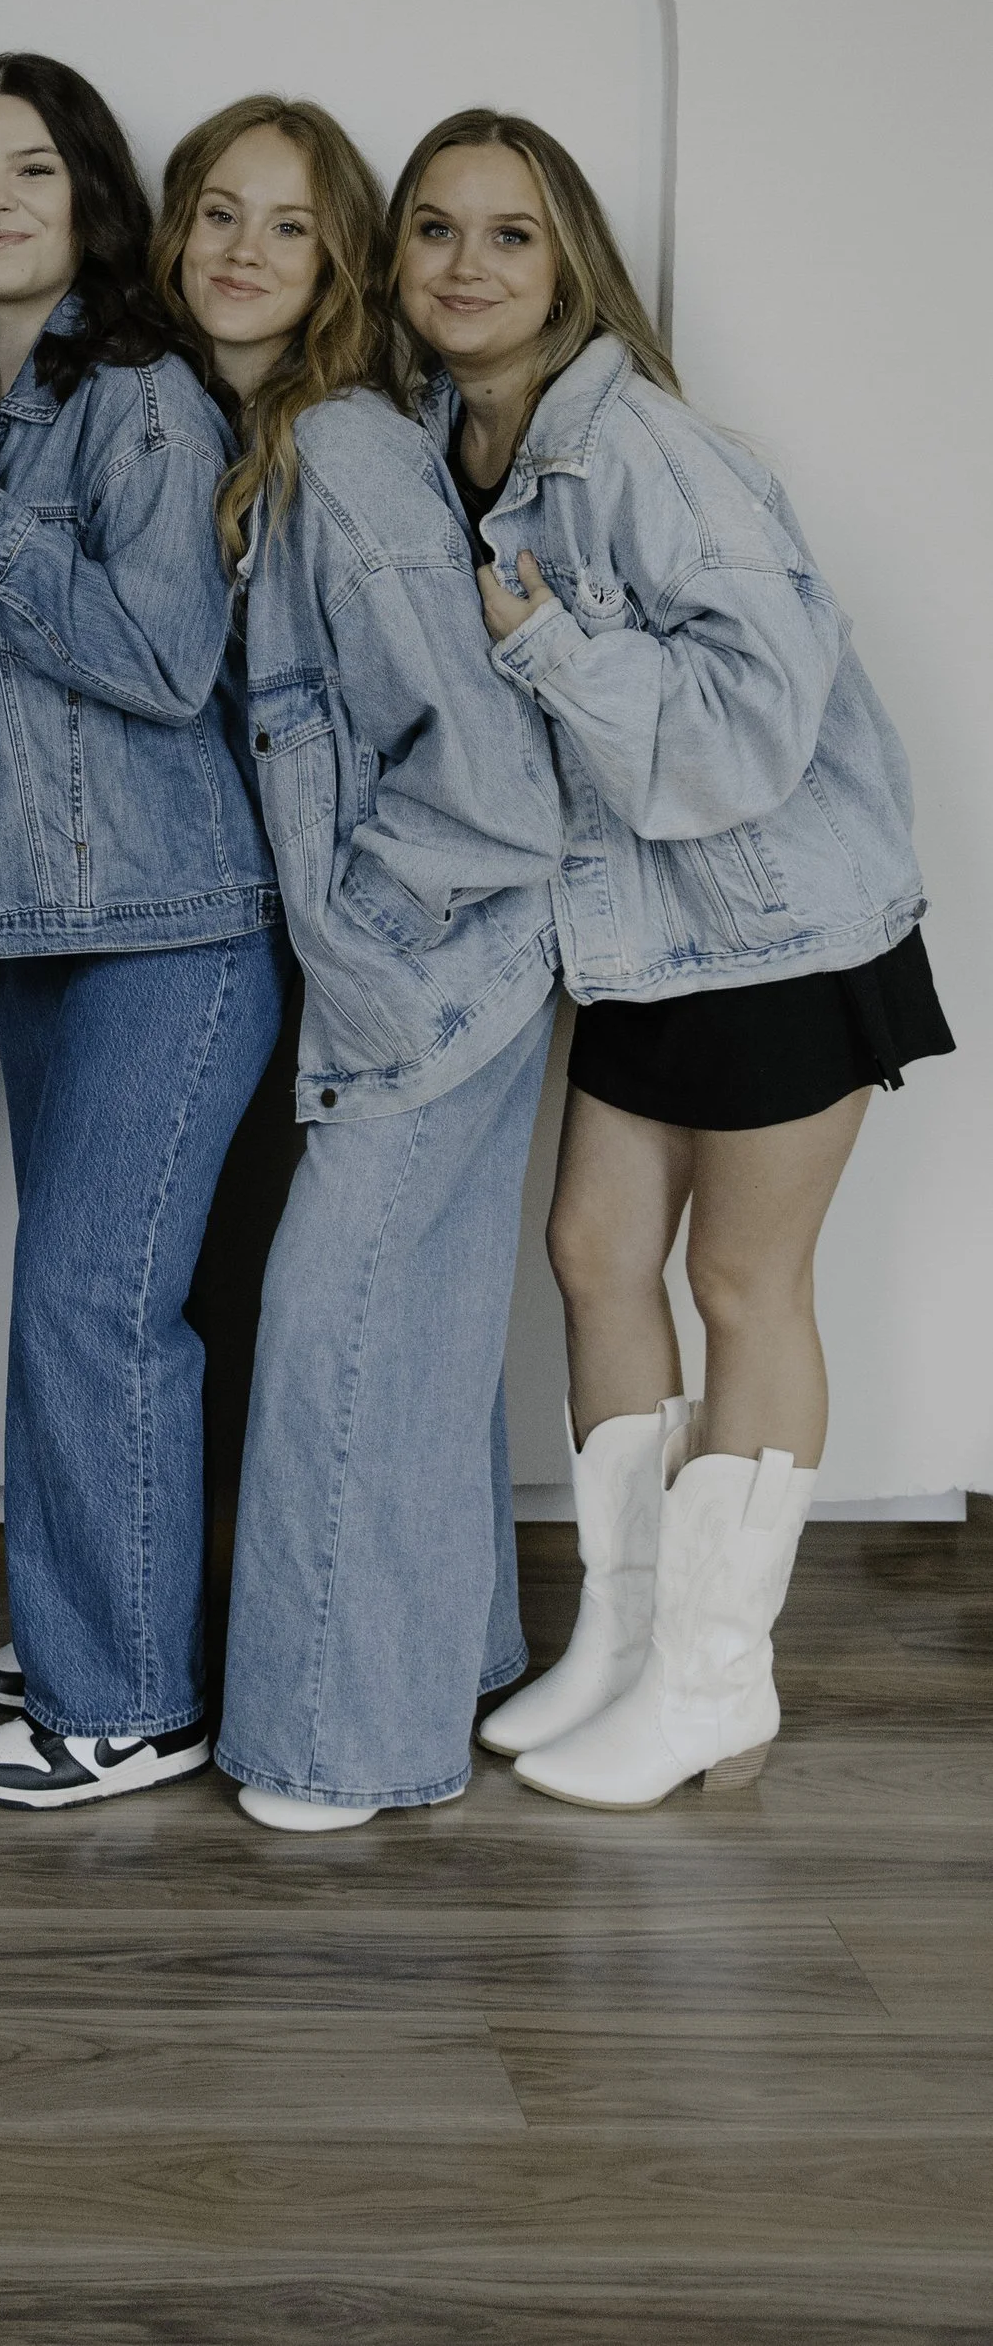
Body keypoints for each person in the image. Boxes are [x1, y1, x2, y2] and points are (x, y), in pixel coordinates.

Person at [385, 113, 950, 1807]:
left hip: (779, 927)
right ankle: (626, 1635)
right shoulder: (449, 441)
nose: (467, 267)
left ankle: (717, 1681)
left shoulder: (647, 452)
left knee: (741, 1287)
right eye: (434, 230)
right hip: (640, 942)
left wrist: (548, 642)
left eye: (511, 235)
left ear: (572, 267)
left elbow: (748, 734)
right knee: (591, 1252)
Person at [0, 55, 283, 1809]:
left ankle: (125, 1697)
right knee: (79, 1297)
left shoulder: (135, 399)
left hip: (172, 931)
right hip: (51, 928)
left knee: (95, 1308)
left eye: (29, 171)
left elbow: (159, 659)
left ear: (88, 196)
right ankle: (84, 1624)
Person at [190, 98, 568, 1833]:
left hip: (434, 980)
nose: (241, 252)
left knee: (334, 1331)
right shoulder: (339, 438)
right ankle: (456, 1659)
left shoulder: (340, 456)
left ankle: (339, 1742)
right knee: (411, 1337)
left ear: (334, 261)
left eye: (290, 224)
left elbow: (481, 778)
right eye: (216, 213)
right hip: (462, 976)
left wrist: (358, 923)